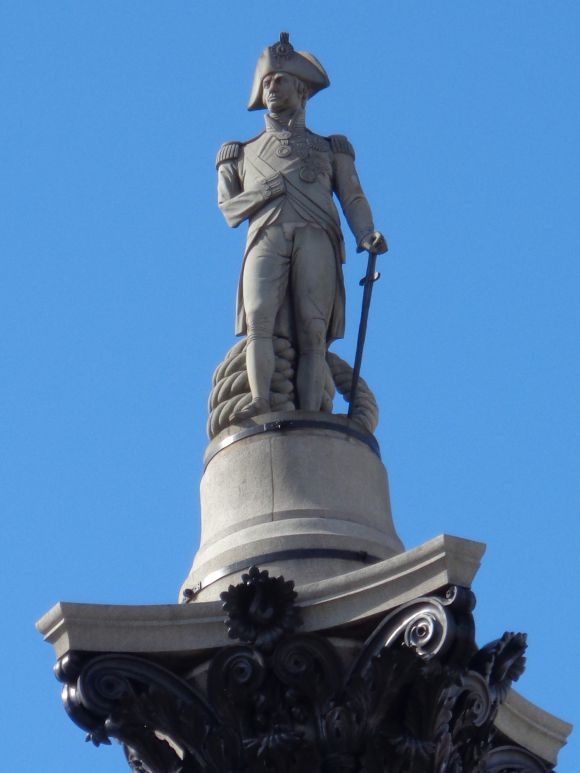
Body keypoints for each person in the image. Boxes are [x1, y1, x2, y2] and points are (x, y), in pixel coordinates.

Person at [216, 33, 387, 419]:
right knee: (259, 321)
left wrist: (366, 233)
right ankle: (260, 401)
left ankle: (311, 413)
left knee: (313, 331)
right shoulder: (238, 153)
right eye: (267, 81)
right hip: (266, 234)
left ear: (302, 90)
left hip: (316, 234)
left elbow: (353, 197)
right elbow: (229, 210)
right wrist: (267, 191)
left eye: (280, 80)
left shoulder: (331, 148)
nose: (272, 87)